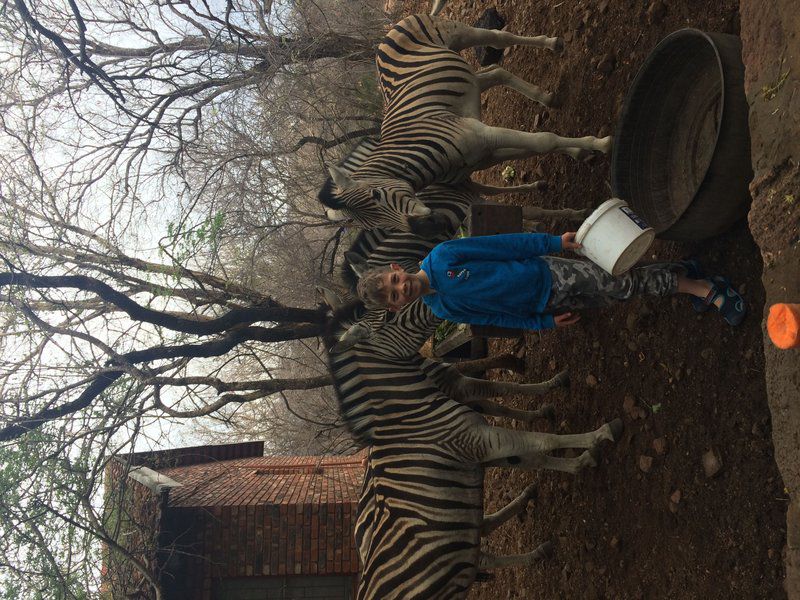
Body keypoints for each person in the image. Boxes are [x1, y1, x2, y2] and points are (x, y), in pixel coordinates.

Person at [355, 232, 746, 329]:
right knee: (616, 291)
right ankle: (682, 272)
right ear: (396, 306)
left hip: (546, 272)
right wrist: (541, 322)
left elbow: (501, 246)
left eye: (395, 280)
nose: (401, 287)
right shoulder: (443, 308)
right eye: (394, 295)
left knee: (621, 285)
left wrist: (550, 242)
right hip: (545, 303)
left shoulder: (443, 257)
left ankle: (706, 288)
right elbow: (495, 318)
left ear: (396, 267)